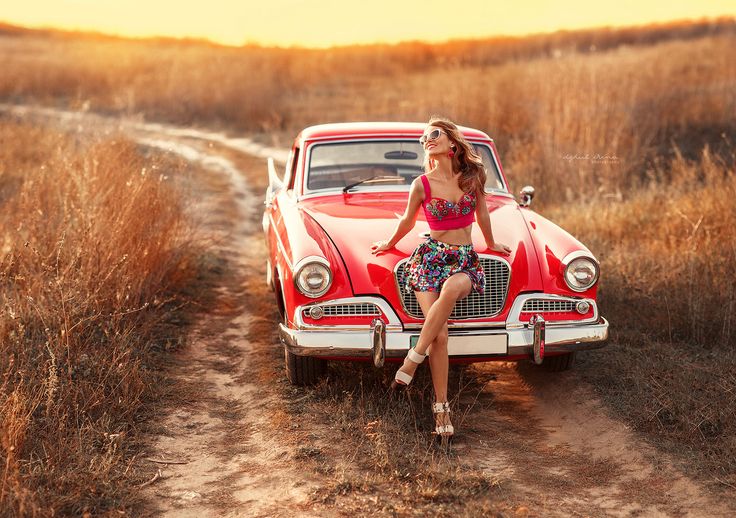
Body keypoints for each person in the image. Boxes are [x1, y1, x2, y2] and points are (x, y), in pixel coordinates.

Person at [370, 117, 511, 440]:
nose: (426, 140)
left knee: (452, 288)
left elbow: (483, 213)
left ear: (452, 142)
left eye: (434, 134)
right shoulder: (422, 184)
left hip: (463, 261)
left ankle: (410, 362)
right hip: (429, 260)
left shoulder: (472, 176)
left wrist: (490, 243)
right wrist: (390, 243)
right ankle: (442, 408)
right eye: (423, 138)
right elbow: (407, 221)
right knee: (440, 336)